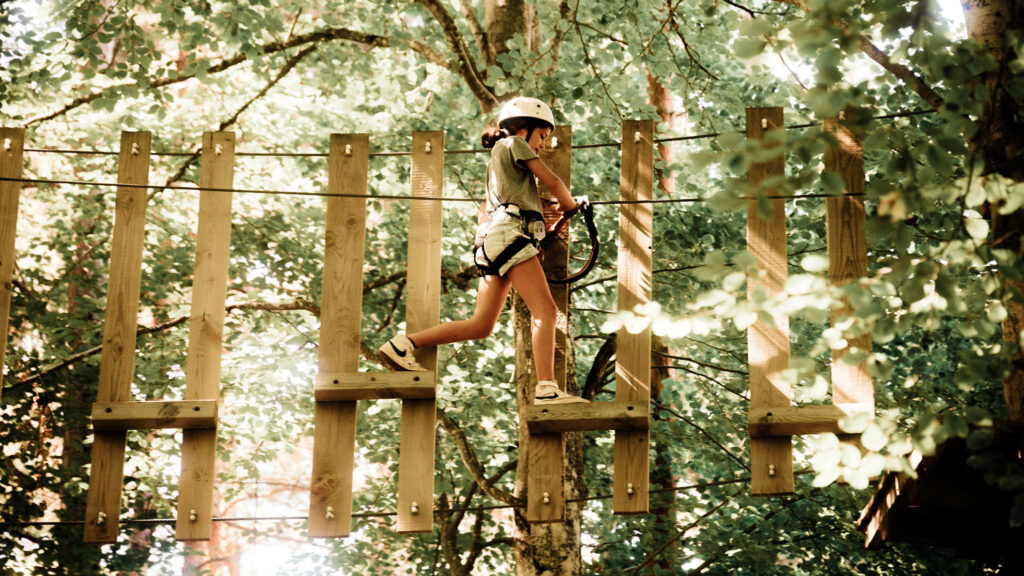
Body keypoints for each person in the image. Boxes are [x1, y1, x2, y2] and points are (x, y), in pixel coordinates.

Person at [378, 96, 588, 405]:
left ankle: (402, 344)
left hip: (492, 240)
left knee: (481, 325)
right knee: (545, 312)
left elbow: (489, 214)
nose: (542, 144)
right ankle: (547, 389)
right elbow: (554, 182)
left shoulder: (498, 170)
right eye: (542, 136)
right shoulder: (514, 145)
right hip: (509, 235)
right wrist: (573, 206)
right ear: (524, 128)